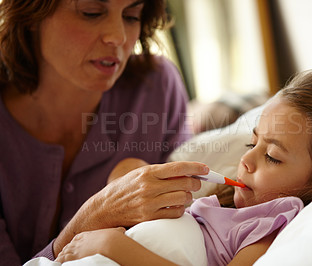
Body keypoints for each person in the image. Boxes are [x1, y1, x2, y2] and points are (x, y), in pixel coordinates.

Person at [53, 70, 312, 265]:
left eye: (273, 157)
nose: (246, 160)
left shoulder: (268, 228)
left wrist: (112, 247)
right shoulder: (219, 206)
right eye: (253, 143)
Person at [0, 0, 207, 265]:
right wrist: (90, 220)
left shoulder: (156, 87)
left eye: (131, 16)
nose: (118, 37)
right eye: (92, 13)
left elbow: (190, 235)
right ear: (30, 13)